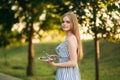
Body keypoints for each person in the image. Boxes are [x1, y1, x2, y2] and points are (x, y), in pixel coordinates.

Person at [47, 12, 83, 80]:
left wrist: (54, 64)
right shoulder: (69, 37)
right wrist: (56, 57)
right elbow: (68, 56)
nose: (64, 24)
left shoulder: (70, 39)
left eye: (68, 22)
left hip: (67, 73)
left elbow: (73, 62)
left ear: (73, 23)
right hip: (65, 71)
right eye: (63, 22)